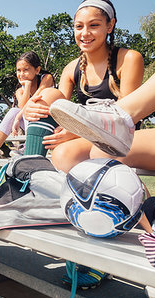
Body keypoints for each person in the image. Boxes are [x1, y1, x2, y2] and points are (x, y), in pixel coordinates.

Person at [22, 0, 146, 172]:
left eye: (94, 25)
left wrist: (80, 130)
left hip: (121, 136)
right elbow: (58, 112)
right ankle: (25, 174)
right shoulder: (71, 69)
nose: (85, 33)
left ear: (110, 26)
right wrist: (30, 106)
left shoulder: (129, 58)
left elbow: (127, 116)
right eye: (79, 26)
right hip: (88, 138)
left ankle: (134, 195)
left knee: (64, 155)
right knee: (47, 95)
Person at [50, 67, 155, 157]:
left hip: (122, 134)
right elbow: (61, 107)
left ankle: (119, 115)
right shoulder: (71, 68)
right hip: (105, 133)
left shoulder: (127, 57)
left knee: (96, 153)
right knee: (63, 154)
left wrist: (78, 130)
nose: (85, 38)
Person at [0, 51, 54, 158]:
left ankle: (28, 145)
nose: (21, 74)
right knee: (14, 111)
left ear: (37, 70)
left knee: (32, 107)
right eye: (18, 70)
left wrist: (18, 118)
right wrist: (27, 86)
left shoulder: (46, 78)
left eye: (26, 70)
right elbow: (23, 107)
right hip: (33, 122)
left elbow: (34, 100)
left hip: (49, 122)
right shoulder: (20, 91)